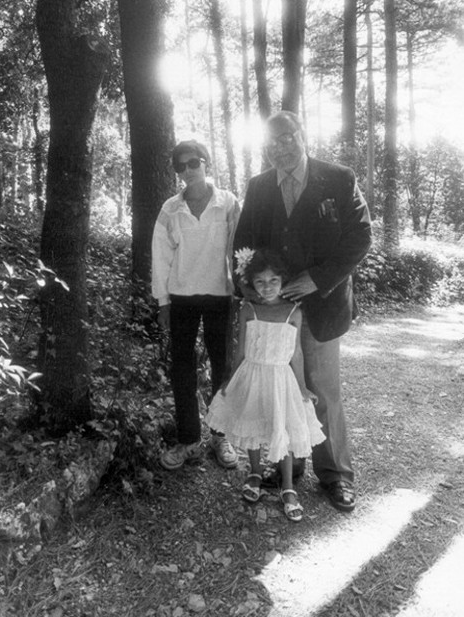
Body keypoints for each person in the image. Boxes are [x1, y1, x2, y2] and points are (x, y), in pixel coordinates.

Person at [233, 111, 372, 511]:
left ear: (302, 134)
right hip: (275, 314)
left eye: (287, 136)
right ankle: (288, 464)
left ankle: (336, 476)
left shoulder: (338, 178)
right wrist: (250, 289)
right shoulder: (259, 187)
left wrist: (318, 278)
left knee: (323, 392)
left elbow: (361, 237)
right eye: (272, 140)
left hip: (323, 305)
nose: (281, 146)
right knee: (282, 391)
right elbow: (242, 245)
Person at [206, 248, 325, 522]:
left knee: (280, 429)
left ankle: (288, 486)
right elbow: (241, 350)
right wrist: (230, 377)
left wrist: (303, 387)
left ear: (283, 280)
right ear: (251, 284)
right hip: (252, 375)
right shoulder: (248, 309)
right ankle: (255, 472)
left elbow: (296, 353)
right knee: (254, 423)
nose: (267, 287)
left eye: (273, 281)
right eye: (260, 282)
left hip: (281, 380)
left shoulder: (294, 311)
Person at [151, 139, 240, 471]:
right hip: (182, 299)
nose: (188, 170)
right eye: (181, 166)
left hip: (220, 296)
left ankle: (220, 435)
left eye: (194, 162)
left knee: (223, 366)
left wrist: (245, 291)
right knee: (182, 369)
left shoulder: (229, 203)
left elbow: (240, 249)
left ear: (207, 163)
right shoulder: (170, 209)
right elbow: (161, 258)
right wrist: (163, 303)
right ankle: (189, 440)